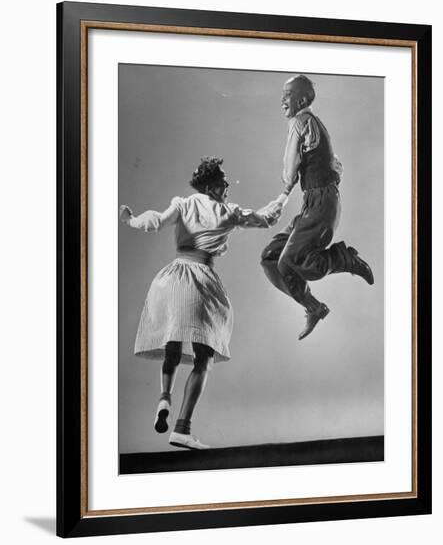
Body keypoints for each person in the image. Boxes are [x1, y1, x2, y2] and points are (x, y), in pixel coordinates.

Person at [120, 157, 282, 450]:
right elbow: (265, 219)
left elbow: (155, 220)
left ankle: (164, 397)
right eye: (223, 181)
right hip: (201, 280)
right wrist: (284, 195)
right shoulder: (228, 212)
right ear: (212, 186)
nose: (228, 185)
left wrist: (131, 219)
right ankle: (182, 428)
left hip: (170, 278)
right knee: (203, 355)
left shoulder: (183, 204)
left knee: (173, 339)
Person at [261, 75, 374, 340]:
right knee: (270, 258)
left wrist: (282, 196)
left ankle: (343, 259)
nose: (282, 100)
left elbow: (290, 172)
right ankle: (314, 308)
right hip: (314, 202)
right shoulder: (314, 124)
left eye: (287, 94)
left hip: (322, 204)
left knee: (290, 261)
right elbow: (334, 163)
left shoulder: (301, 122)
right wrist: (286, 198)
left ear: (301, 99)